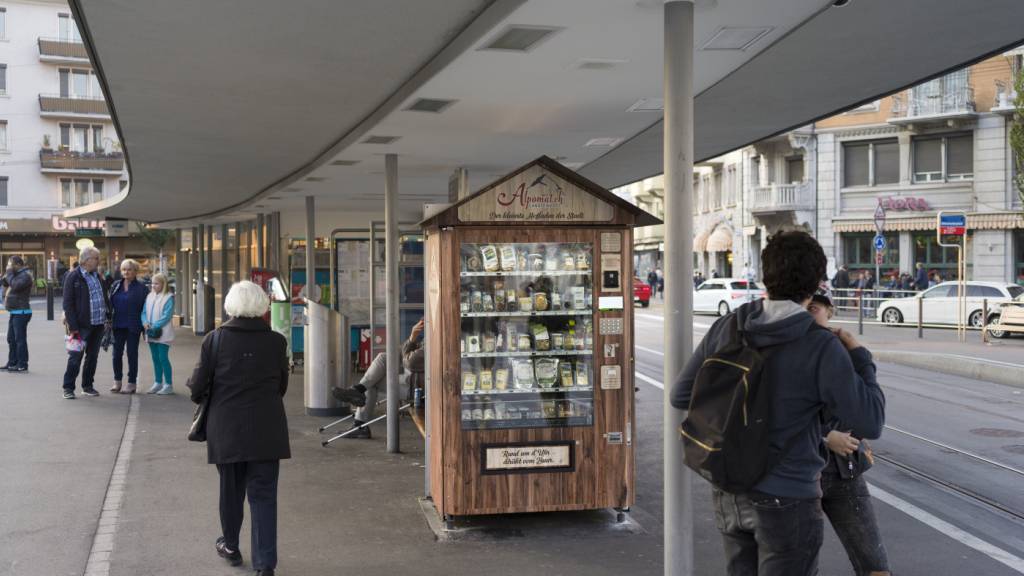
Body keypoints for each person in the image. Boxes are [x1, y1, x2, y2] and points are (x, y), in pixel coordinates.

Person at [671, 230, 885, 576]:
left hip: (729, 491)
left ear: (764, 273)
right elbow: (870, 421)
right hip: (787, 498)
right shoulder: (820, 346)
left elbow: (681, 395)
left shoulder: (731, 324)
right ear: (816, 283)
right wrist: (860, 358)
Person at [187, 281, 289, 576]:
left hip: (227, 428)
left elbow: (197, 387)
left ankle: (230, 545)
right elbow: (281, 386)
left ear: (230, 304)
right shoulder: (276, 341)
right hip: (267, 429)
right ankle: (265, 563)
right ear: (262, 305)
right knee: (264, 495)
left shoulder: (215, 339)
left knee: (230, 491)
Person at [806, 287, 892, 576]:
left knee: (875, 566)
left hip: (846, 472)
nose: (810, 314)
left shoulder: (839, 350)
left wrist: (857, 351)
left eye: (816, 309)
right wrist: (824, 437)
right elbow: (771, 414)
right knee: (801, 565)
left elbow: (868, 412)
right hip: (804, 474)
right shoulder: (788, 350)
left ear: (830, 313)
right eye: (806, 308)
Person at [338, 318, 425, 439]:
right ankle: (359, 392)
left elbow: (411, 361)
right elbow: (401, 353)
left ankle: (359, 415)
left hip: (417, 390)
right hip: (411, 380)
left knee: (373, 381)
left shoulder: (437, 340)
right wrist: (412, 339)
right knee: (381, 362)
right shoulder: (429, 339)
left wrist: (412, 340)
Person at [62, 247, 111, 399]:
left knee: (92, 357)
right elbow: (67, 303)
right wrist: (73, 326)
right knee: (75, 357)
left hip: (98, 324)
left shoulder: (98, 276)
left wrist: (108, 316)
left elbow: (104, 297)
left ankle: (87, 386)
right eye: (96, 258)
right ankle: (68, 388)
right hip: (80, 326)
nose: (98, 261)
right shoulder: (73, 276)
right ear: (85, 260)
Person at [108, 259, 149, 393]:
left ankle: (132, 383)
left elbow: (145, 308)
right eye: (124, 269)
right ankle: (117, 381)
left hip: (133, 325)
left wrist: (145, 326)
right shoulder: (115, 285)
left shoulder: (142, 288)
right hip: (118, 324)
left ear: (135, 271)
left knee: (132, 354)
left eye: (129, 269)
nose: (126, 272)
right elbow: (109, 304)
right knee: (116, 354)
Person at [142, 273, 175, 395]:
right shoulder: (149, 296)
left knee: (163, 358)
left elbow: (167, 315)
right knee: (155, 358)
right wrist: (145, 322)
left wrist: (154, 326)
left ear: (163, 284)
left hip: (164, 333)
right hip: (151, 333)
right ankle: (157, 382)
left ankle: (168, 384)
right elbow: (144, 312)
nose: (153, 285)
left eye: (156, 283)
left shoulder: (169, 297)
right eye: (152, 283)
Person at [2, 256, 34, 372]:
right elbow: (5, 283)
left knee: (20, 339)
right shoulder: (15, 275)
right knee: (11, 338)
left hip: (22, 311)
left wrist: (9, 273)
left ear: (19, 264)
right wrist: (6, 274)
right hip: (15, 311)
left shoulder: (25, 276)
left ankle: (22, 364)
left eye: (11, 264)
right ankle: (12, 362)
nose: (10, 267)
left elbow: (15, 286)